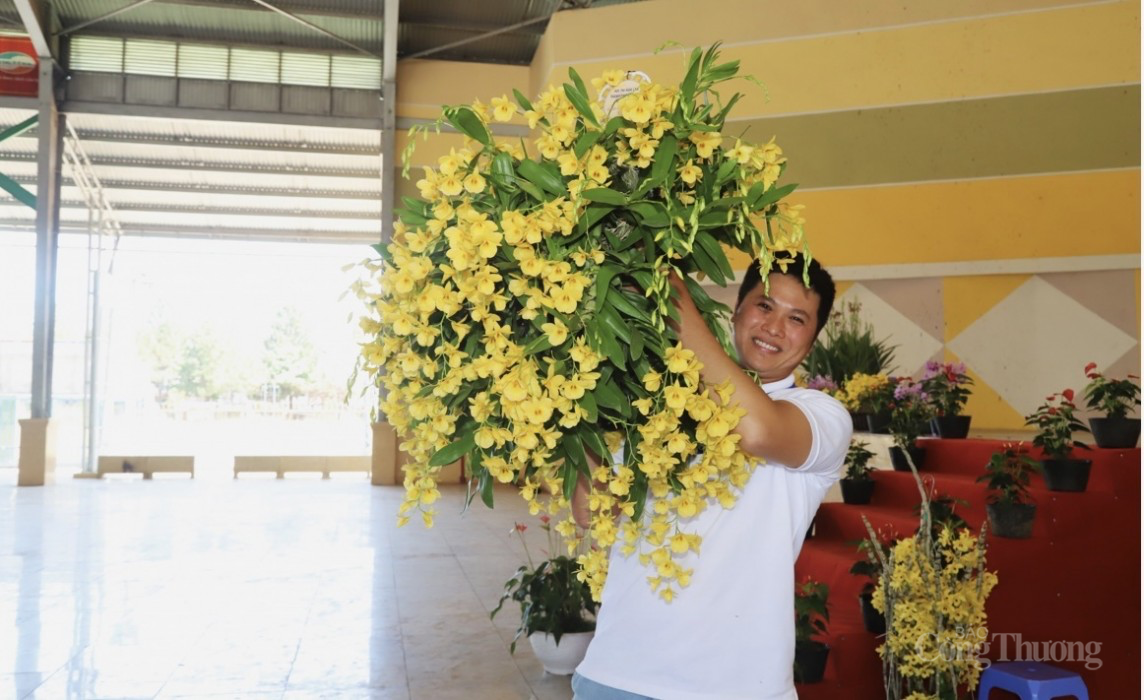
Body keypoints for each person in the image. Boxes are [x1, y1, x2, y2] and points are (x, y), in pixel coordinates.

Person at [571, 253, 852, 700]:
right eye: (763, 306)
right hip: (617, 674)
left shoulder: (821, 416)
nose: (774, 327)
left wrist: (670, 295)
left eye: (796, 318)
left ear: (813, 338)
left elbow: (756, 430)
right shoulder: (658, 400)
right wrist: (592, 396)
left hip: (735, 687)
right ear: (736, 311)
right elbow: (592, 510)